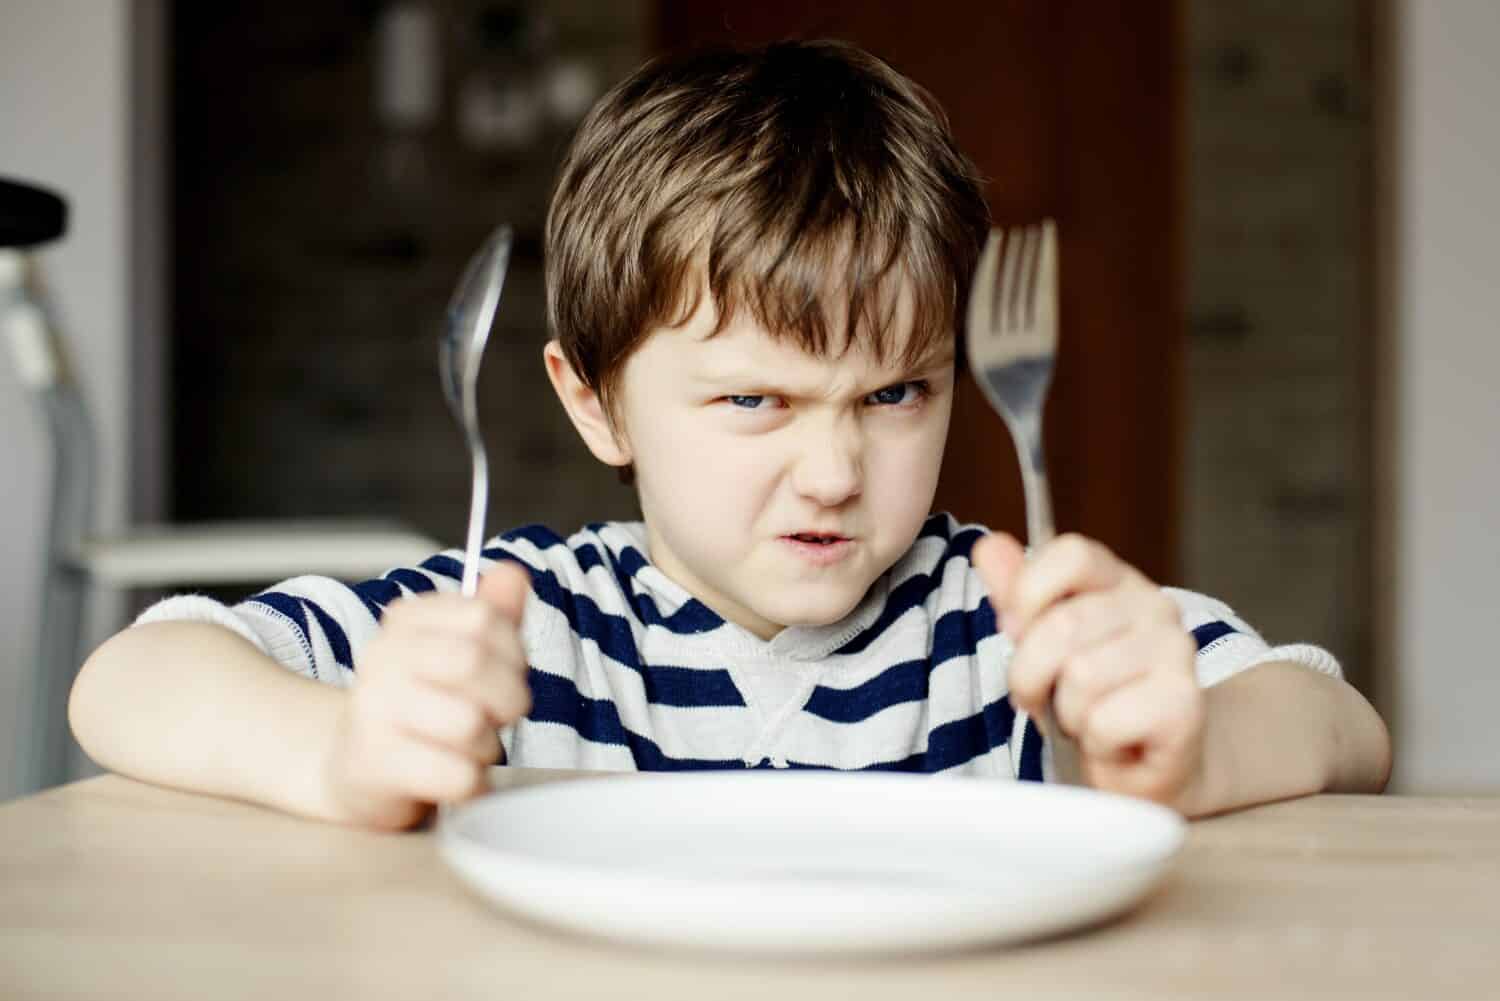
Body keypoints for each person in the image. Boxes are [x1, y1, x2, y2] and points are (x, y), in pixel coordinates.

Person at [69, 40, 1390, 831]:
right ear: (592, 400)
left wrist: (1191, 750)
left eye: (896, 395)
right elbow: (132, 674)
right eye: (755, 400)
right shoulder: (524, 621)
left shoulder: (1008, 626)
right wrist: (338, 754)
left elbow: (1339, 719)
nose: (833, 473)